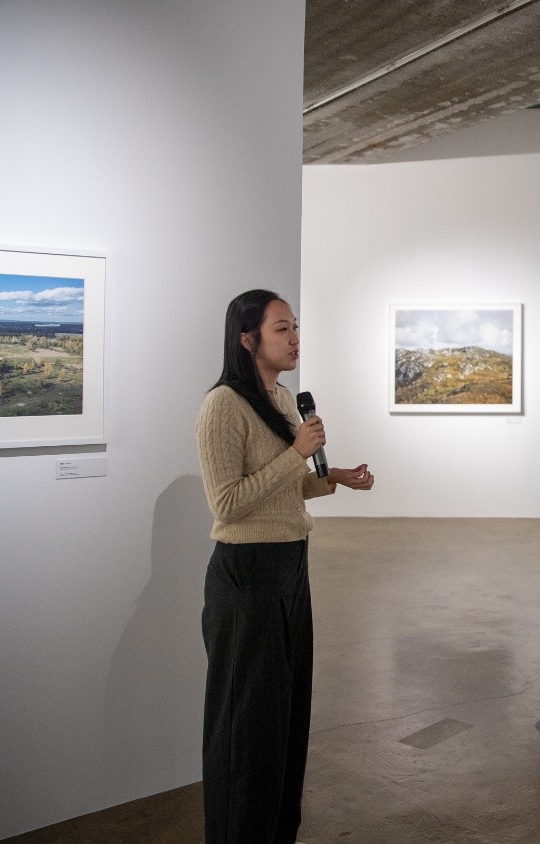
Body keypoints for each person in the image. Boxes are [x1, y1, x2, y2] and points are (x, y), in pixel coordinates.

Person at [196, 289, 374, 843]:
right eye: (282, 329)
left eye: (295, 327)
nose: (295, 338)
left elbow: (284, 488)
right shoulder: (223, 406)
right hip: (246, 578)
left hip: (290, 569)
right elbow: (227, 503)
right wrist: (296, 453)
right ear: (247, 339)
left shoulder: (281, 398)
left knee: (285, 719)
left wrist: (332, 477)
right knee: (245, 726)